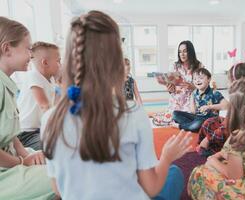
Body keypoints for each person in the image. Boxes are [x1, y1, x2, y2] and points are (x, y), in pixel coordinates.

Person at [41, 10, 192, 200]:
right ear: (117, 60)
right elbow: (151, 188)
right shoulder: (133, 115)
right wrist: (167, 156)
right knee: (174, 172)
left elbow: (58, 189)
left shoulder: (49, 120)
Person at [0, 16, 55, 200]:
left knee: (59, 159)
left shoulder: (6, 85)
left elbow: (10, 134)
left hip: (13, 156)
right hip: (5, 172)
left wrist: (26, 155)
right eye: (27, 49)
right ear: (7, 49)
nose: (31, 55)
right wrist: (23, 161)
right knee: (65, 176)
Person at [197, 62, 245, 155]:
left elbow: (227, 129)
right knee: (210, 122)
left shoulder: (240, 102)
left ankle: (209, 149)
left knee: (209, 126)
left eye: (228, 81)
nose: (227, 84)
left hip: (238, 139)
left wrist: (208, 139)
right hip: (236, 132)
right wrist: (221, 119)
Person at [17, 41, 61, 150]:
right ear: (45, 63)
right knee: (55, 147)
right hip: (25, 134)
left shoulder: (50, 79)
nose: (60, 64)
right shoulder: (33, 75)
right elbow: (44, 106)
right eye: (58, 61)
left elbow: (54, 105)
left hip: (39, 130)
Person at [172, 68, 228, 133]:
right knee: (175, 114)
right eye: (195, 79)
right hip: (198, 118)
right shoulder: (195, 93)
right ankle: (193, 127)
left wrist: (209, 107)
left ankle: (182, 126)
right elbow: (193, 112)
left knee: (198, 123)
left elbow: (226, 105)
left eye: (201, 78)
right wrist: (192, 97)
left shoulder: (214, 93)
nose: (197, 81)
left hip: (209, 120)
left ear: (209, 79)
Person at [167, 40, 203, 113]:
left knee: (187, 118)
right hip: (176, 102)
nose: (182, 54)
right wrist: (170, 89)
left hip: (191, 101)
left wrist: (193, 87)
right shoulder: (174, 66)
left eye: (185, 51)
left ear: (190, 52)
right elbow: (171, 88)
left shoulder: (199, 66)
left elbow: (205, 87)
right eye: (180, 52)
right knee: (172, 119)